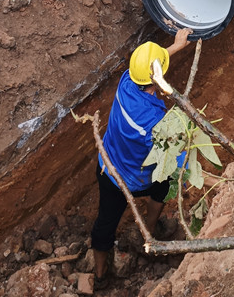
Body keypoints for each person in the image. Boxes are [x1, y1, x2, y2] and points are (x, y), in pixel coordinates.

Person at [92, 28, 192, 287]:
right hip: (131, 179)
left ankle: (99, 274)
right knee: (164, 186)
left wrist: (176, 46)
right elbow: (176, 161)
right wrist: (193, 169)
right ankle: (148, 231)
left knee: (105, 222)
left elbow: (146, 71)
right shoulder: (153, 124)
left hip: (107, 165)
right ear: (156, 79)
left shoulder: (127, 81)